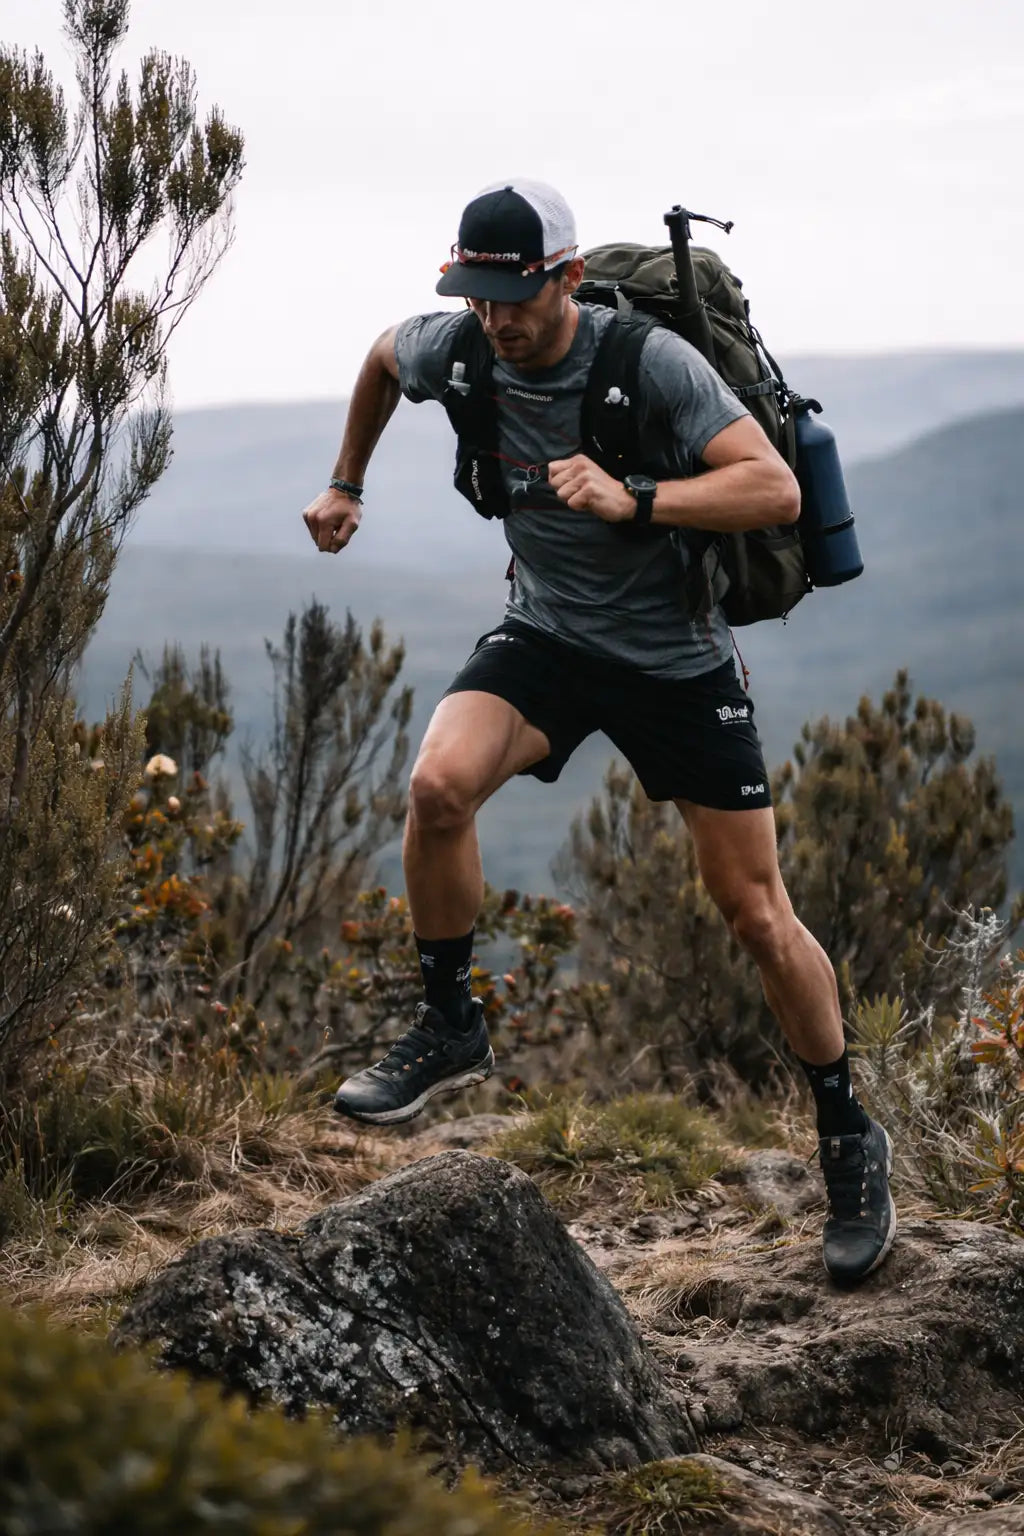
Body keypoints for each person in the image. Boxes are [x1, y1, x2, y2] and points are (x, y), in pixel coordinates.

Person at [301, 179, 896, 1283]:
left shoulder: (648, 364)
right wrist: (346, 482)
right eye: (475, 296)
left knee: (756, 912)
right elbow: (384, 355)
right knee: (436, 788)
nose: (494, 319)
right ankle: (450, 1024)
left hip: (677, 663)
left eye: (514, 297)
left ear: (568, 279)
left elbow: (771, 491)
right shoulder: (461, 346)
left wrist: (638, 498)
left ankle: (848, 1135)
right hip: (549, 639)